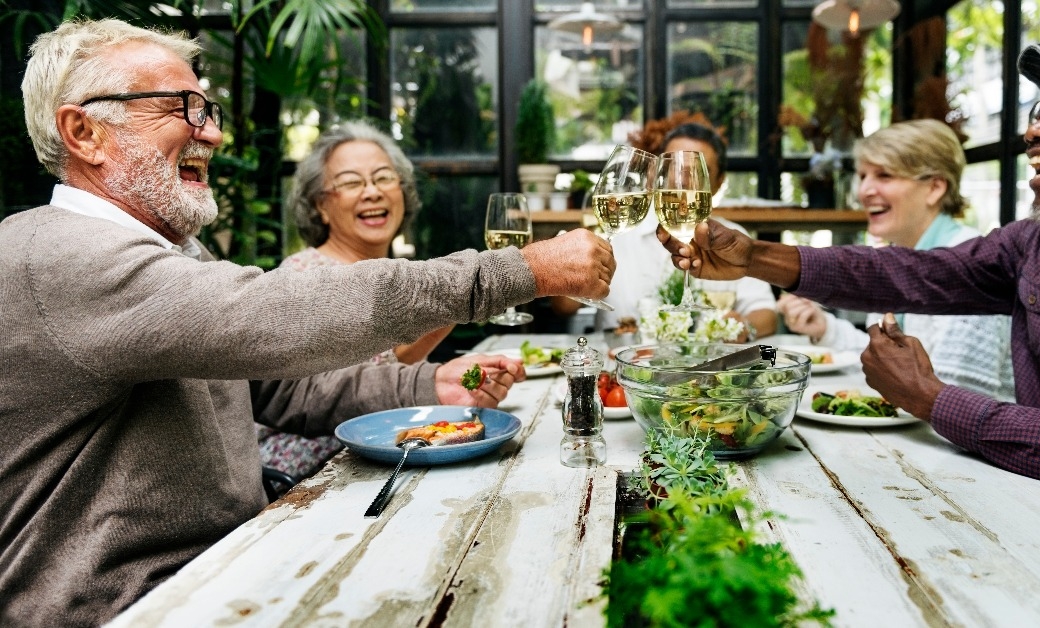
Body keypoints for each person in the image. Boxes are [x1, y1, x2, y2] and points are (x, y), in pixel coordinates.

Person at [0, 18, 614, 627]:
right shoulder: (59, 256)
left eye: (207, 109)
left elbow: (282, 387)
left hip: (232, 565)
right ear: (84, 132)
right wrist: (519, 270)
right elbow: (279, 315)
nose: (211, 134)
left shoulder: (169, 251)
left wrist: (427, 389)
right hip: (122, 606)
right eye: (181, 108)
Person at [659, 41, 1040, 564]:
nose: (1035, 129)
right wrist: (753, 257)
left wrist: (931, 399)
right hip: (1035, 519)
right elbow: (912, 271)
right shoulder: (1038, 241)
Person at [260, 120, 455, 480]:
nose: (372, 192)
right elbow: (336, 393)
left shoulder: (398, 272)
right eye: (351, 182)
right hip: (308, 476)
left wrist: (459, 299)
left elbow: (392, 363)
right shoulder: (305, 276)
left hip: (380, 457)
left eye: (383, 177)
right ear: (320, 205)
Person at [777, 120, 1014, 401]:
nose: (864, 191)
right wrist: (824, 327)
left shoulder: (967, 265)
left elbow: (954, 400)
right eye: (863, 175)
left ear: (935, 188)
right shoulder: (901, 256)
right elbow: (885, 363)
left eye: (884, 176)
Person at [552, 120, 777, 341]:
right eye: (672, 169)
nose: (681, 182)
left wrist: (744, 328)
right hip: (619, 365)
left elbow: (767, 313)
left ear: (718, 183)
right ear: (654, 175)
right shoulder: (621, 229)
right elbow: (562, 306)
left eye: (697, 172)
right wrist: (571, 278)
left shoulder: (733, 239)